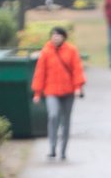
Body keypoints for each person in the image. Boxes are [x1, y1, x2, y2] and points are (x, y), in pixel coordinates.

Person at [31, 27, 86, 160]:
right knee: (53, 115)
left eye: (58, 35)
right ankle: (52, 146)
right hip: (51, 91)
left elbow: (77, 69)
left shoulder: (71, 50)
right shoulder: (46, 52)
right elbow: (40, 73)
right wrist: (37, 93)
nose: (55, 37)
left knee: (66, 120)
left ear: (63, 37)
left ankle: (63, 150)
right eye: (53, 35)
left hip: (68, 92)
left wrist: (78, 87)